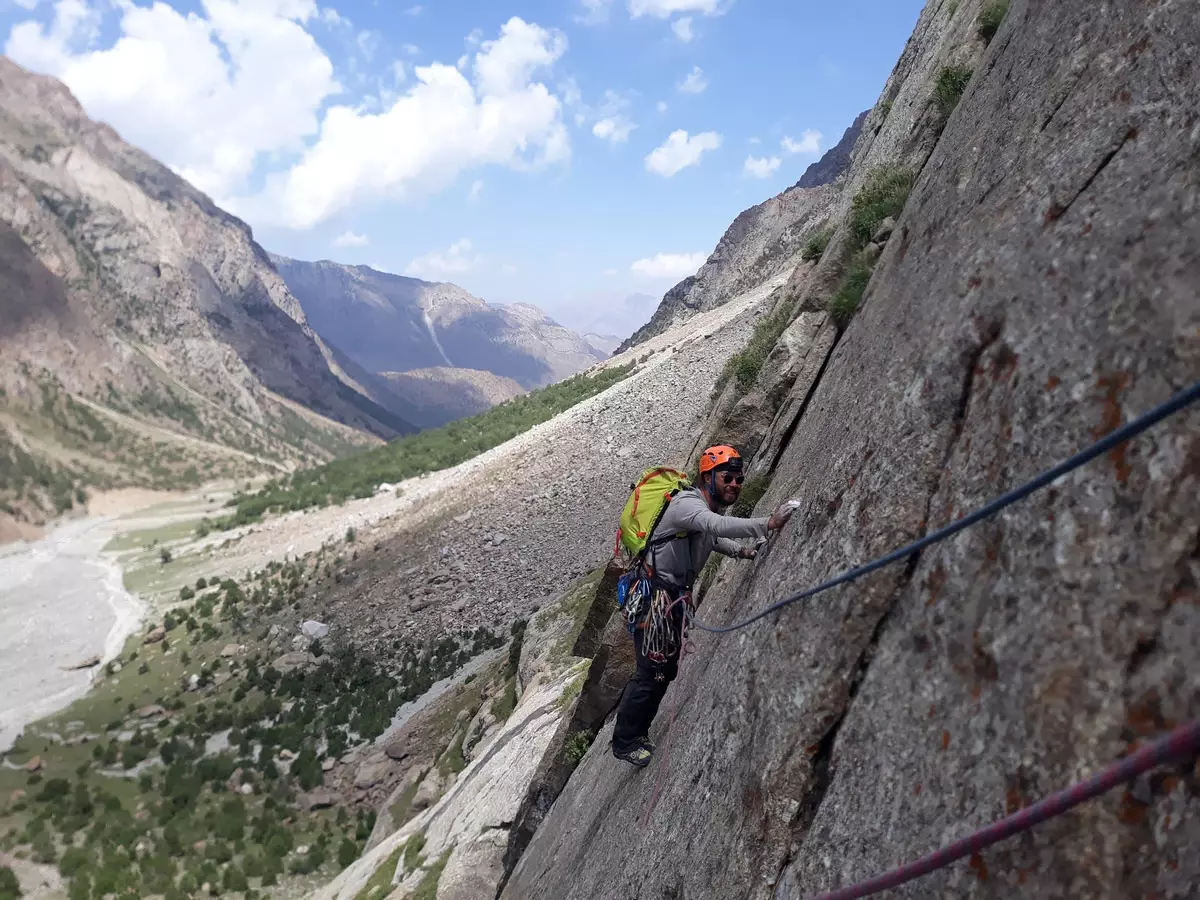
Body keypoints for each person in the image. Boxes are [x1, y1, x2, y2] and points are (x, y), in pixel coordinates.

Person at [611, 445, 795, 767]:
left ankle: (636, 731)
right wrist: (768, 522)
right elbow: (715, 528)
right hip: (654, 599)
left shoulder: (703, 510)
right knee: (651, 672)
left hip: (670, 600)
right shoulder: (685, 504)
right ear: (708, 478)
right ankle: (625, 741)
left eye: (739, 479)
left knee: (664, 671)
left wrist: (742, 552)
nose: (735, 484)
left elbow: (711, 537)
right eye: (728, 477)